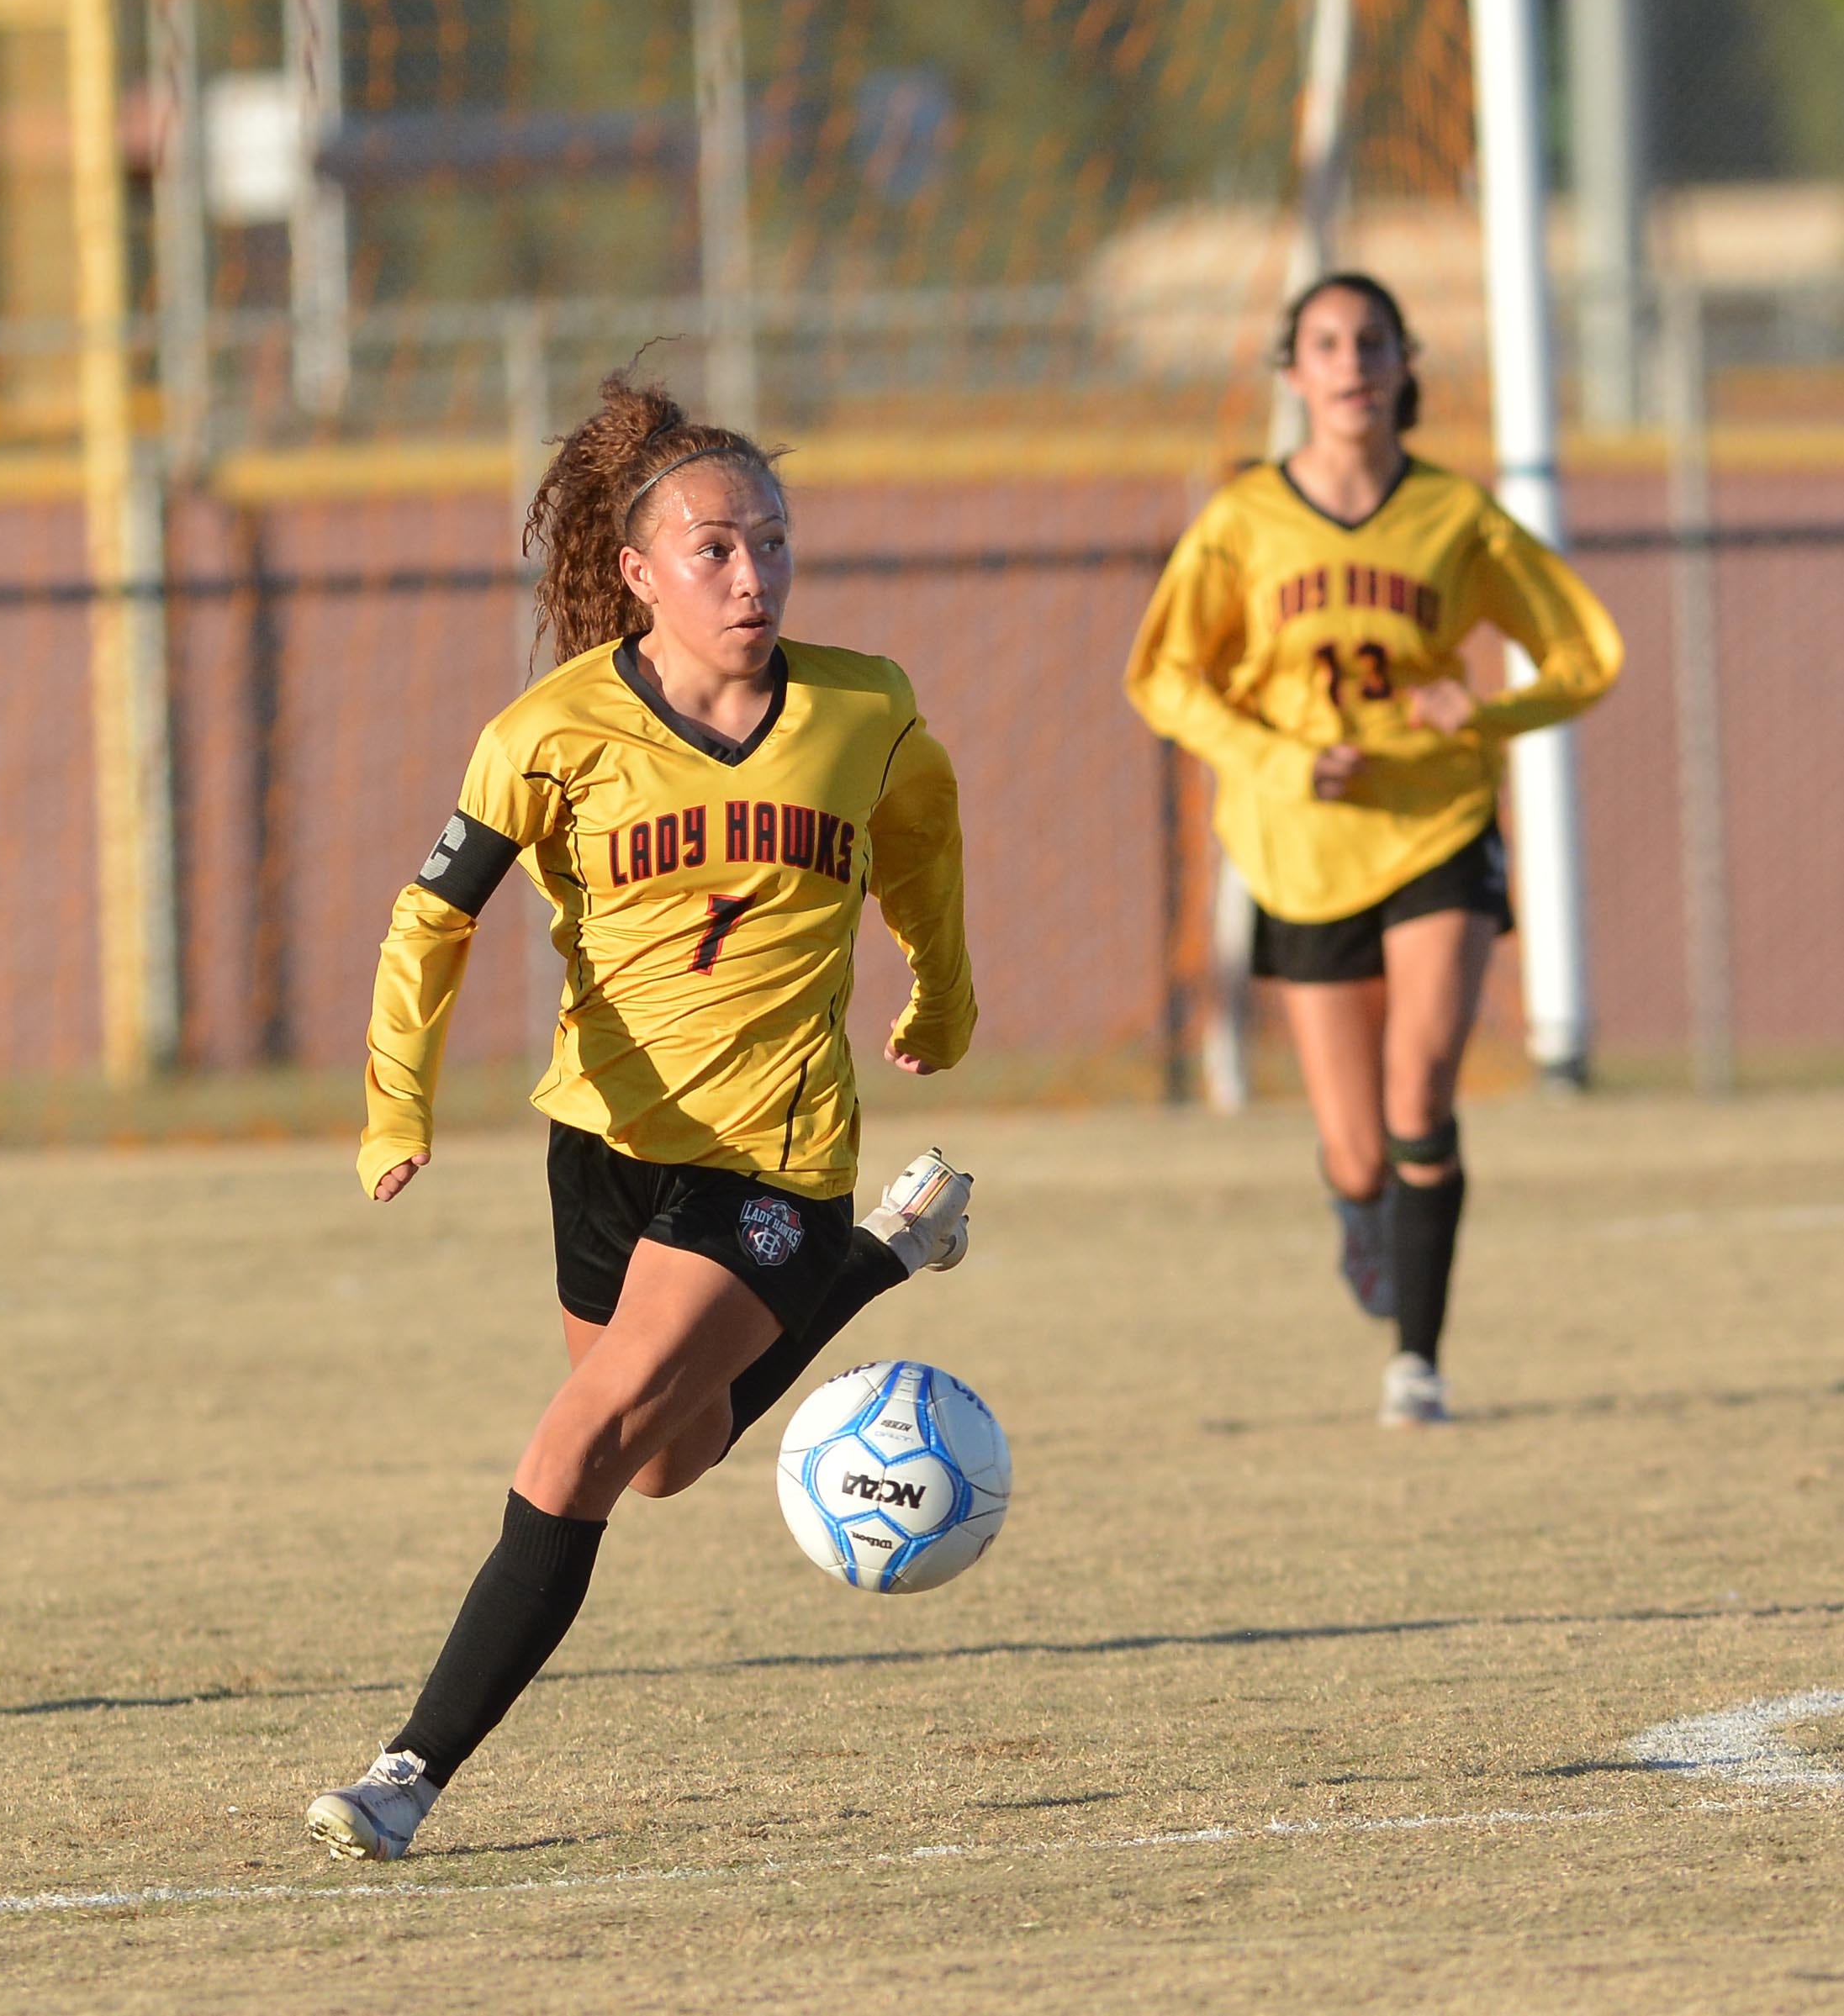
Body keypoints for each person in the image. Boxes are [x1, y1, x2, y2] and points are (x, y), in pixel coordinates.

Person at [304, 369, 980, 1861]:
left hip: (769, 1151)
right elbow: (431, 918)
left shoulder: (866, 707)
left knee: (578, 1440)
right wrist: (392, 1102)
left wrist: (940, 990)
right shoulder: (546, 732)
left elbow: (922, 837)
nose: (753, 577)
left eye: (774, 544)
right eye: (715, 550)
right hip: (601, 1141)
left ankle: (406, 1771)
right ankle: (879, 1260)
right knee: (663, 1462)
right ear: (635, 574)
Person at [1124, 273, 1621, 1426]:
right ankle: (1360, 1211)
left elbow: (1582, 653)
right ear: (1291, 375)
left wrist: (1484, 717)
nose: (1349, 363)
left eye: (1370, 342)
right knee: (1354, 1151)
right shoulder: (1243, 521)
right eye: (1325, 344)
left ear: (1404, 364)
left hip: (1437, 823)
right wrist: (1281, 758)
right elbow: (1160, 677)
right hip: (1297, 848)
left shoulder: (1458, 516)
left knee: (1420, 1087)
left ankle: (1416, 1364)